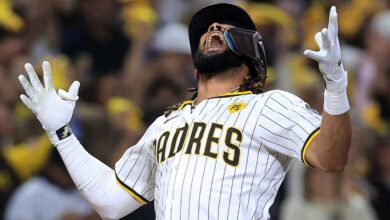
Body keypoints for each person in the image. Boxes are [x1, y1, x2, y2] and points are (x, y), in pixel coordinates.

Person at [17, 3, 351, 220]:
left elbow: (332, 158)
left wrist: (335, 87)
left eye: (226, 26)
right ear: (194, 70)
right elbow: (111, 202)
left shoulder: (271, 104)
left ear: (252, 62)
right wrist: (60, 135)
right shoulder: (165, 124)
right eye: (207, 29)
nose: (213, 29)